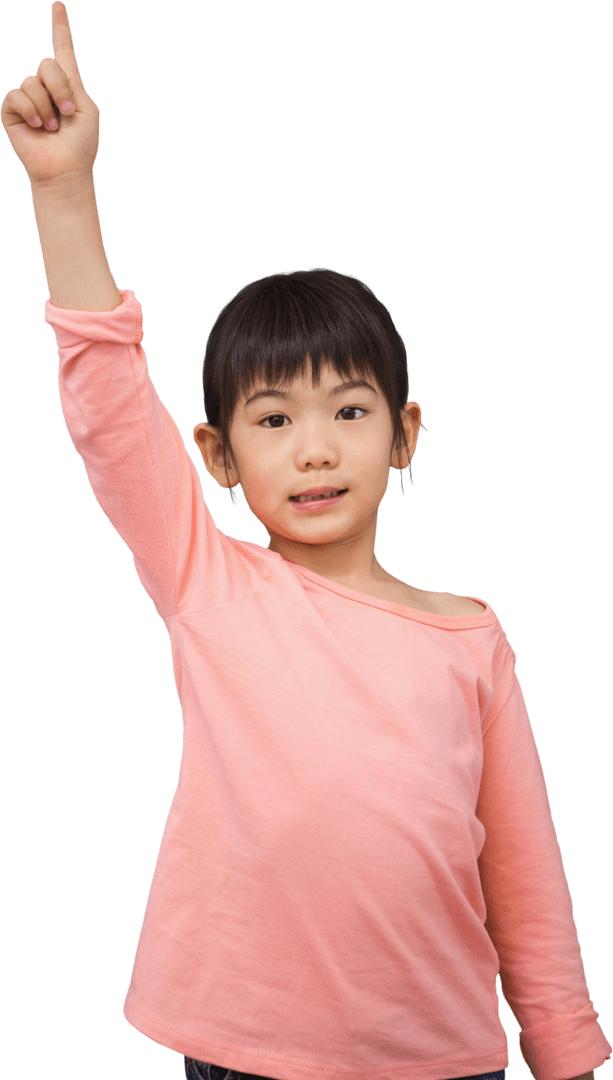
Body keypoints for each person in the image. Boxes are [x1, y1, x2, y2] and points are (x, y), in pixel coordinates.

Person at [2, 5, 611, 1080]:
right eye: (274, 420)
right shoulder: (209, 583)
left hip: (440, 1059)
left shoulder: (471, 638)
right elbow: (106, 400)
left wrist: (563, 1049)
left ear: (404, 431)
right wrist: (61, 187)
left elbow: (524, 876)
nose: (314, 449)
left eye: (349, 411)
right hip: (244, 1054)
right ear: (219, 456)